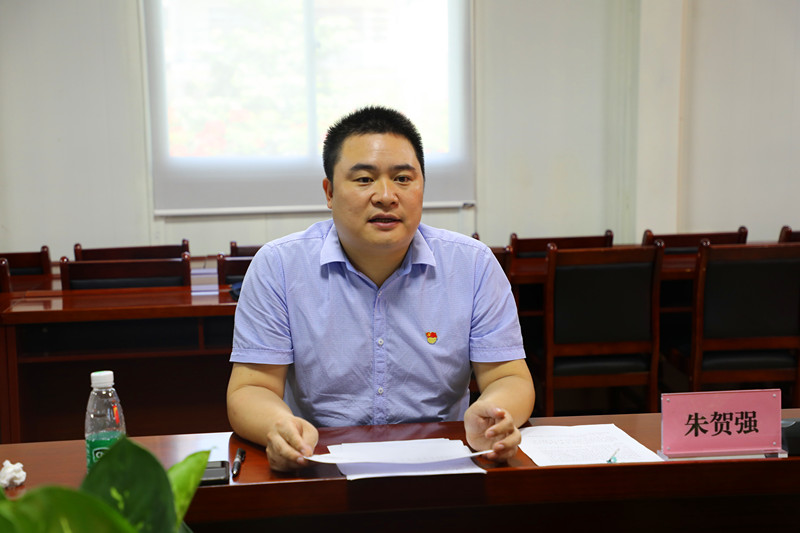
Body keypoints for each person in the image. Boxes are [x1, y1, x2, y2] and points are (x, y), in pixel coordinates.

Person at [227, 106, 535, 471]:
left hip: (444, 465)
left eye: (403, 178)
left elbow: (507, 376)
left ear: (422, 187)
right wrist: (279, 427)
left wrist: (495, 414)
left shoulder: (472, 265)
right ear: (329, 192)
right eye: (364, 179)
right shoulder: (279, 266)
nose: (386, 195)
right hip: (319, 463)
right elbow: (252, 388)